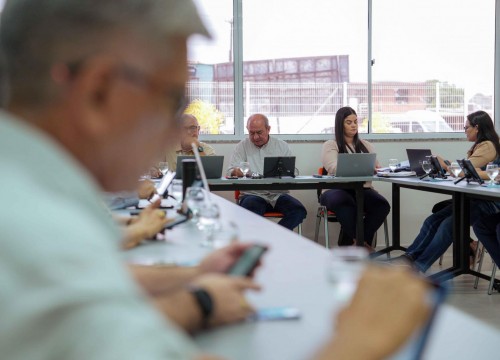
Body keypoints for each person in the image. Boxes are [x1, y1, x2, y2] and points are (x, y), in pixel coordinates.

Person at [0, 1, 433, 358]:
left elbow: (97, 278)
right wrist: (362, 342)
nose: (176, 131)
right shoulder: (35, 239)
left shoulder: (35, 196)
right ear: (97, 92)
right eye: (172, 98)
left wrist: (194, 279)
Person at [393, 111, 500, 272]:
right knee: (433, 220)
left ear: (477, 128)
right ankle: (409, 257)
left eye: (466, 127)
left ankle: (418, 267)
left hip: (488, 203)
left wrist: (446, 165)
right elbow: (467, 168)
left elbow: (465, 170)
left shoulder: (488, 146)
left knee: (449, 225)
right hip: (476, 198)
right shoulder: (479, 146)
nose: (465, 130)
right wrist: (447, 165)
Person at [321, 106, 390, 249]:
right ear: (340, 124)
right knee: (346, 203)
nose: (353, 125)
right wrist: (357, 166)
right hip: (336, 189)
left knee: (381, 205)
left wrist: (378, 169)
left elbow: (376, 167)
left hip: (362, 189)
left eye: (355, 121)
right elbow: (332, 168)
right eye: (348, 122)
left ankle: (356, 245)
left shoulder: (366, 145)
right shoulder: (331, 144)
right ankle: (362, 245)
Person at [228, 113, 307, 231]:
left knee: (299, 211)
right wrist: (236, 172)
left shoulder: (281, 145)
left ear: (268, 129)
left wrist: (286, 172)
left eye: (259, 132)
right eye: (251, 133)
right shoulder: (242, 146)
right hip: (253, 194)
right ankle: (265, 242)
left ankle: (273, 239)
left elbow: (293, 172)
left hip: (278, 194)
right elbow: (230, 171)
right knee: (250, 212)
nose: (255, 137)